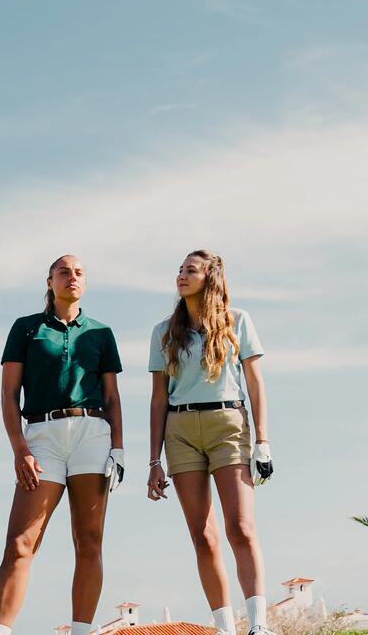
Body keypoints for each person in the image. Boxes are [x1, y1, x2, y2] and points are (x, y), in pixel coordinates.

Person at [0, 255, 126, 635]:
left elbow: (113, 398)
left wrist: (118, 448)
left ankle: (81, 631)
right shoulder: (26, 329)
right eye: (64, 272)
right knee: (20, 544)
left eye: (79, 272)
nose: (72, 277)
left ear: (86, 282)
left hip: (92, 436)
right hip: (41, 438)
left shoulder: (101, 333)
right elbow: (8, 395)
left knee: (89, 541)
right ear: (49, 281)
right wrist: (20, 448)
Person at [145, 250, 275, 635]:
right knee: (203, 535)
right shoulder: (164, 331)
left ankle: (258, 626)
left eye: (191, 270)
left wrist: (263, 441)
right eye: (180, 270)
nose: (182, 276)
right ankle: (225, 628)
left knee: (241, 528)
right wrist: (154, 460)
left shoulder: (239, 321)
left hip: (229, 425)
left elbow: (255, 384)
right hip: (180, 431)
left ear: (210, 277)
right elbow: (157, 398)